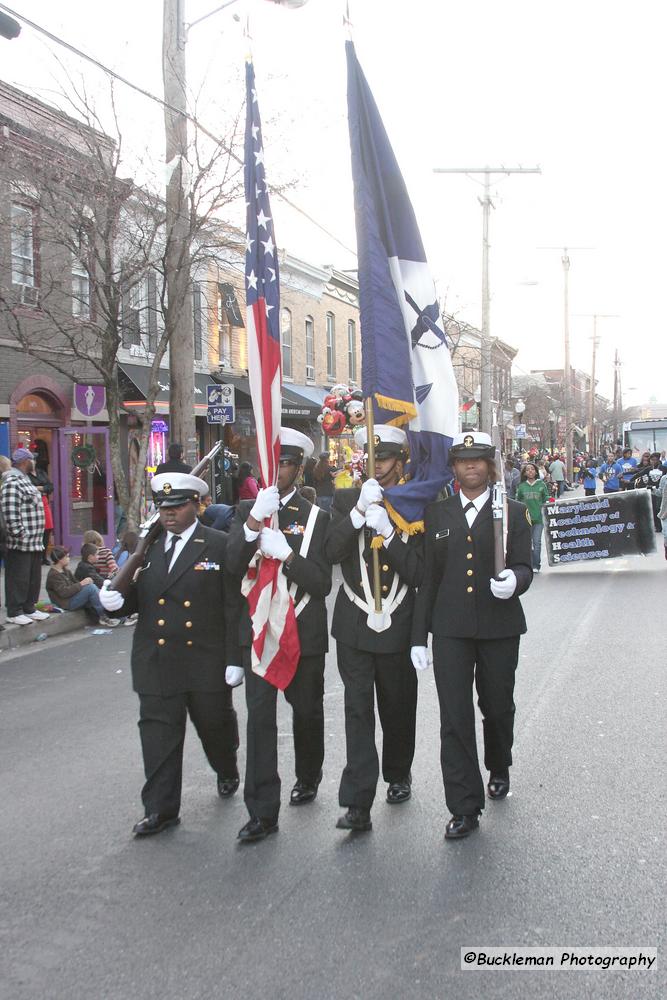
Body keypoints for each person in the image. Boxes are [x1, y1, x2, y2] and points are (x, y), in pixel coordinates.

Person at [99, 472, 242, 837]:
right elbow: (135, 599)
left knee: (215, 727)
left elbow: (231, 607)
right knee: (158, 738)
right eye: (163, 508)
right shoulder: (144, 550)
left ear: (196, 505)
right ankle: (160, 810)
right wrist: (114, 602)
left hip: (204, 660)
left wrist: (234, 658)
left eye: (177, 506)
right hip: (157, 661)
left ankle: (226, 768)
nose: (169, 514)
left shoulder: (218, 544)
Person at [411, 432, 533, 840]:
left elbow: (525, 565)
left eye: (478, 460)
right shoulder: (438, 513)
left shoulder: (511, 511)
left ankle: (498, 764)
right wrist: (418, 636)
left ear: (490, 465)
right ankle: (464, 805)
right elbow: (429, 578)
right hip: (450, 629)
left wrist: (515, 580)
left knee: (497, 708)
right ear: (454, 467)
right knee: (455, 717)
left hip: (499, 626)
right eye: (463, 460)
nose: (471, 467)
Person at [225, 429, 332, 843]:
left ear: (298, 467)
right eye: (271, 462)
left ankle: (308, 774)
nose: (277, 470)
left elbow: (322, 583)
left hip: (301, 629)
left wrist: (287, 554)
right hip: (258, 633)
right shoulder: (245, 512)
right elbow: (233, 563)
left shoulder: (316, 517)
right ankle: (262, 811)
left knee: (306, 713)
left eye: (284, 463)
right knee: (260, 722)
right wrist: (254, 523)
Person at [324, 425, 423, 833]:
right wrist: (358, 514)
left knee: (398, 707)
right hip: (354, 623)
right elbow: (330, 551)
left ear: (401, 462)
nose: (377, 466)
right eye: (372, 458)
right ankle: (357, 801)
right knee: (357, 711)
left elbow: (419, 572)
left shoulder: (417, 503)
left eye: (385, 459)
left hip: (398, 621)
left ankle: (398, 773)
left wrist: (389, 532)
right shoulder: (348, 498)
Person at [1, 447, 49, 626]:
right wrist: (20, 534)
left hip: (34, 542)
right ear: (24, 462)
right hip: (21, 543)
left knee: (32, 578)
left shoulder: (25, 480)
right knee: (19, 578)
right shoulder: (12, 481)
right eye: (32, 459)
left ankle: (29, 607)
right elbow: (10, 512)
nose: (34, 462)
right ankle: (15, 611)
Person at [46, 546, 118, 626]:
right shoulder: (54, 575)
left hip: (72, 598)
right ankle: (103, 616)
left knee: (92, 588)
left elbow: (75, 583)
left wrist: (85, 583)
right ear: (60, 560)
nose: (69, 558)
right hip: (66, 603)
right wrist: (81, 583)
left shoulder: (65, 570)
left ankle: (113, 615)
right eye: (67, 557)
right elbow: (64, 593)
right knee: (91, 588)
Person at [515, 462, 550, 573]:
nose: (530, 471)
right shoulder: (521, 486)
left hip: (539, 519)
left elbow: (546, 498)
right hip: (525, 519)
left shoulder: (541, 485)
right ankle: (529, 564)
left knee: (537, 543)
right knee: (527, 543)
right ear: (524, 473)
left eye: (532, 469)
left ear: (536, 471)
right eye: (527, 470)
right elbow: (518, 501)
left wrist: (550, 502)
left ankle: (536, 565)